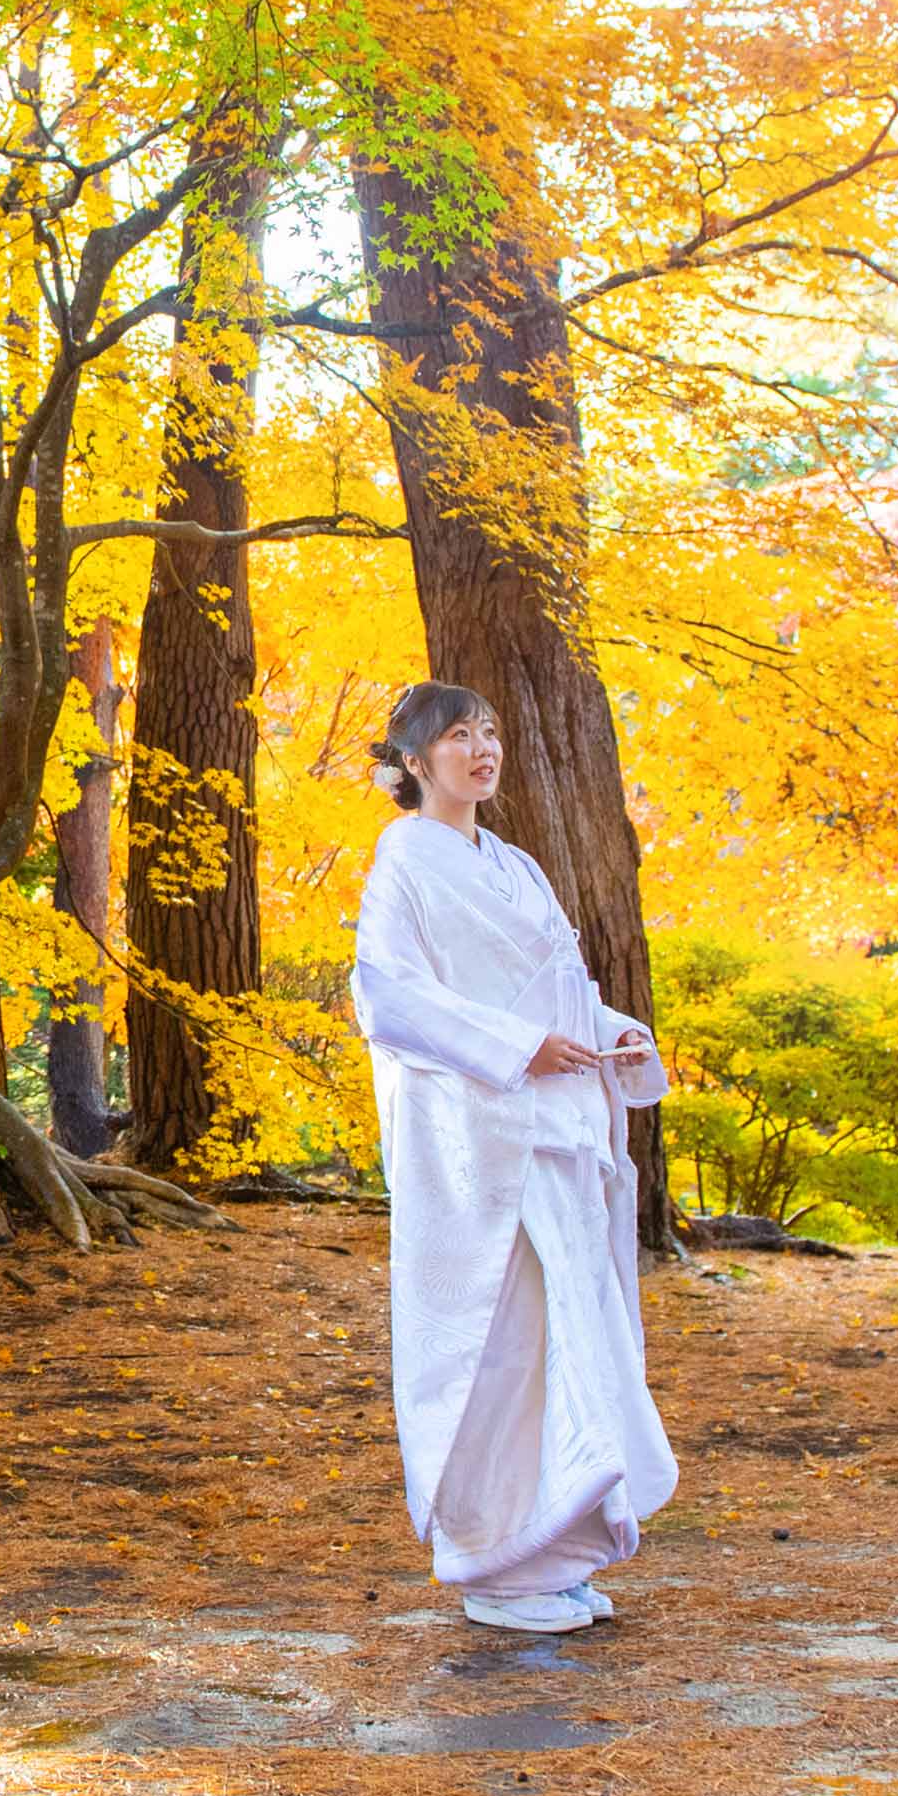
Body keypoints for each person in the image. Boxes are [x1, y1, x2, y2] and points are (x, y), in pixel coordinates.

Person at [350, 680, 678, 1635]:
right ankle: (495, 1562)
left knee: (567, 1334)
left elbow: (560, 987)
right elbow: (389, 996)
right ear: (416, 760)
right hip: (481, 1143)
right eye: (459, 735)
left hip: (554, 1131)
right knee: (500, 1342)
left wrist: (610, 1032)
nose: (482, 748)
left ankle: (557, 1551)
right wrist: (516, 1048)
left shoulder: (518, 865)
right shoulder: (402, 864)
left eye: (489, 731)